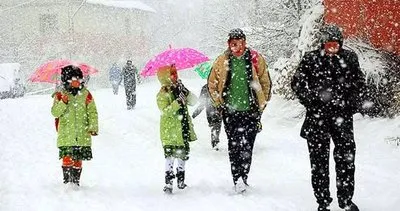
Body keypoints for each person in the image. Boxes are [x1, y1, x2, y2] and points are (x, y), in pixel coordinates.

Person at [291, 24, 365, 211]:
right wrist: (311, 101)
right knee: (318, 164)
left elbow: (360, 83)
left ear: (340, 44)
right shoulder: (311, 59)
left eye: (336, 45)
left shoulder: (349, 58)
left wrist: (351, 102)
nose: (332, 48)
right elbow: (297, 83)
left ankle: (346, 200)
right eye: (329, 45)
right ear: (323, 44)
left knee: (346, 160)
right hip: (317, 119)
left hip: (343, 119)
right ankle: (323, 201)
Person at [207, 28, 272, 193]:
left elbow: (265, 81)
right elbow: (212, 84)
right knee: (234, 146)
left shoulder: (255, 59)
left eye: (240, 42)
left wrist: (261, 103)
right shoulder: (222, 61)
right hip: (230, 112)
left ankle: (244, 175)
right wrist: (218, 102)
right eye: (233, 43)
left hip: (251, 111)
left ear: (245, 42)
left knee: (248, 145)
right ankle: (237, 178)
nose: (237, 46)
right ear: (229, 44)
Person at [51, 65, 98, 187]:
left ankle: (76, 181)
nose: (77, 82)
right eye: (73, 79)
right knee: (67, 157)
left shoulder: (86, 94)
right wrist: (63, 102)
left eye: (79, 79)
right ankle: (67, 182)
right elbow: (55, 112)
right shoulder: (60, 95)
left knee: (78, 158)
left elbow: (92, 111)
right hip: (66, 133)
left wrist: (93, 127)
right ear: (66, 80)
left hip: (82, 133)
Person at [156, 65, 198, 194]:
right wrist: (177, 103)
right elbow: (165, 111)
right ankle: (168, 182)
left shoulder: (179, 89)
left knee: (182, 155)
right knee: (170, 156)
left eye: (175, 73)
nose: (175, 76)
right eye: (172, 74)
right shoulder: (162, 94)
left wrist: (185, 92)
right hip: (170, 130)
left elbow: (194, 101)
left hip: (183, 127)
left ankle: (181, 180)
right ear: (165, 77)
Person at [192, 84, 222, 150]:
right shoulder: (219, 86)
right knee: (216, 126)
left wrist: (195, 113)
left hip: (210, 112)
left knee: (214, 126)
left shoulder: (205, 87)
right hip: (217, 111)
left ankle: (215, 141)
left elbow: (202, 104)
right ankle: (215, 141)